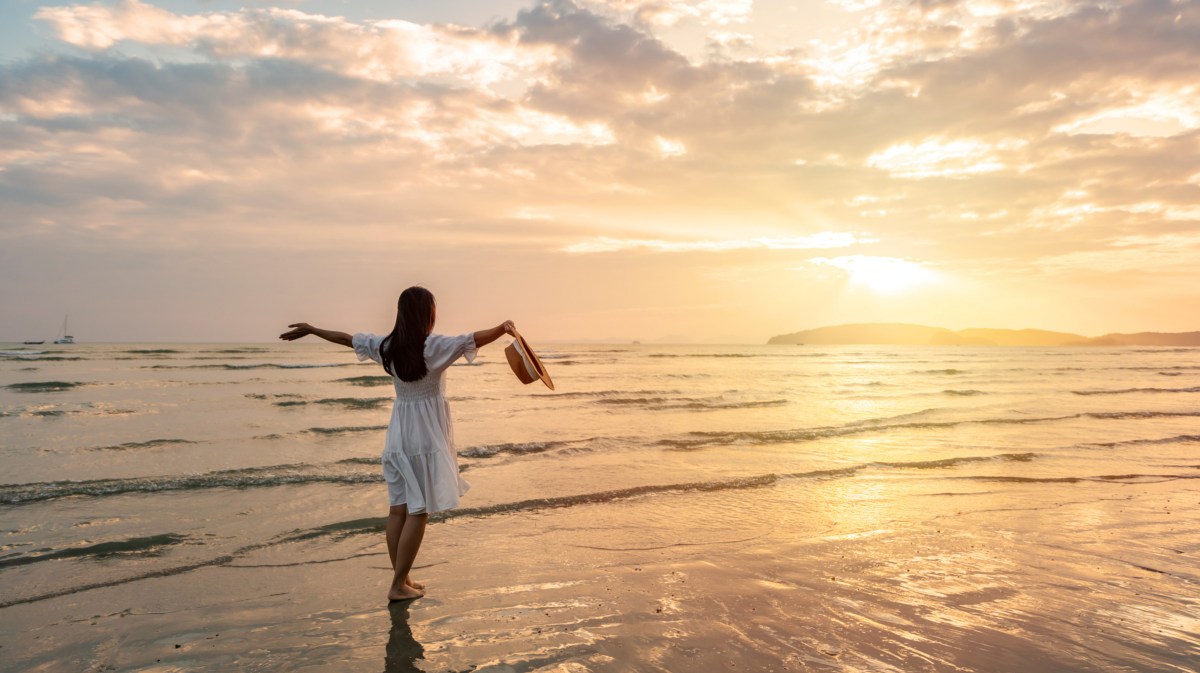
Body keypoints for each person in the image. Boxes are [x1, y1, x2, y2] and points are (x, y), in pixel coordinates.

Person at [280, 286, 515, 601]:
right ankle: (397, 585)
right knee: (419, 511)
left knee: (398, 510)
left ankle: (401, 580)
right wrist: (503, 328)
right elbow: (473, 338)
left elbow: (345, 338)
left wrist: (312, 330)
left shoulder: (386, 346)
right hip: (425, 437)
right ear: (427, 314)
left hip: (398, 436)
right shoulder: (433, 346)